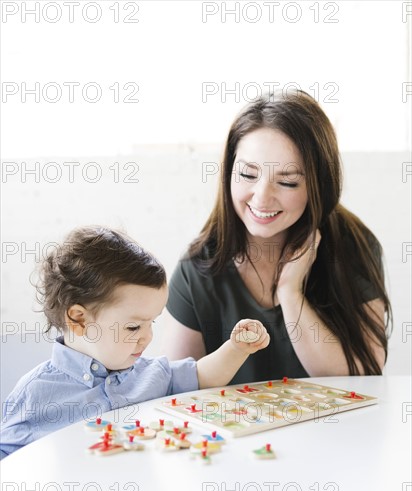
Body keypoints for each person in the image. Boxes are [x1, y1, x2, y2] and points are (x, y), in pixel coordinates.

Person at [163, 90, 392, 382]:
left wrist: (290, 292)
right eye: (247, 175)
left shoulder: (352, 246)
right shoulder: (198, 267)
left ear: (319, 186)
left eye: (287, 182)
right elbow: (178, 390)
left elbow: (365, 372)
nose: (262, 198)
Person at [0, 226, 269, 459]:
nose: (147, 336)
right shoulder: (35, 394)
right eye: (133, 326)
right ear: (79, 319)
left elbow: (203, 376)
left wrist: (236, 348)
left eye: (151, 322)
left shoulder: (152, 374)